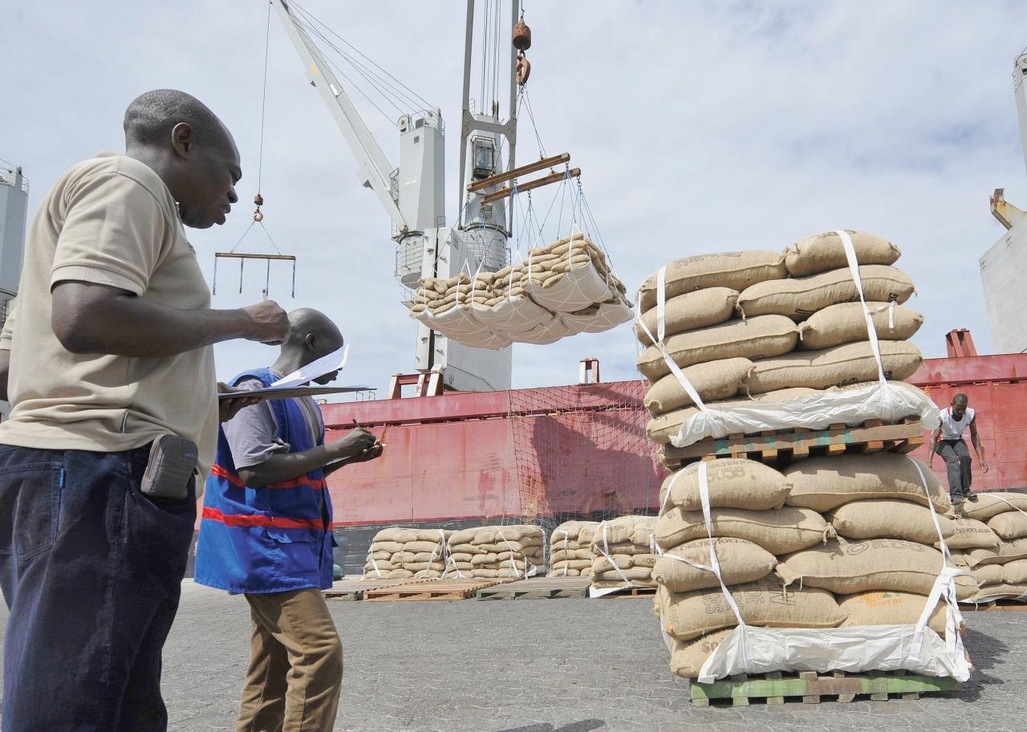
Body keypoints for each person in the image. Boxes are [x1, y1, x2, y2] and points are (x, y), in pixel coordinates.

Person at [0, 89, 290, 732]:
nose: (234, 197)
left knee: (106, 692)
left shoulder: (71, 223)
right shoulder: (131, 183)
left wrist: (194, 394)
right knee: (77, 702)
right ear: (182, 142)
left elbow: (19, 363)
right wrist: (242, 322)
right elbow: (87, 317)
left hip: (67, 470)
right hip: (102, 474)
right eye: (230, 175)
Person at [194, 308, 383, 732]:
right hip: (263, 547)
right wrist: (334, 450)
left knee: (273, 663)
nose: (340, 367)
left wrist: (345, 457)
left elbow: (296, 470)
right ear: (312, 342)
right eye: (336, 355)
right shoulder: (254, 390)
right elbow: (255, 470)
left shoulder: (302, 400)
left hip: (286, 547)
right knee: (319, 653)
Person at [928, 392, 989, 505]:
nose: (961, 412)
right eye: (958, 409)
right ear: (952, 405)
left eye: (963, 409)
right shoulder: (942, 416)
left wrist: (981, 458)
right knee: (953, 461)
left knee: (966, 457)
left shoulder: (970, 414)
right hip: (942, 441)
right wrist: (929, 462)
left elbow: (974, 435)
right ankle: (955, 495)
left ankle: (966, 490)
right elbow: (933, 438)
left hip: (957, 440)